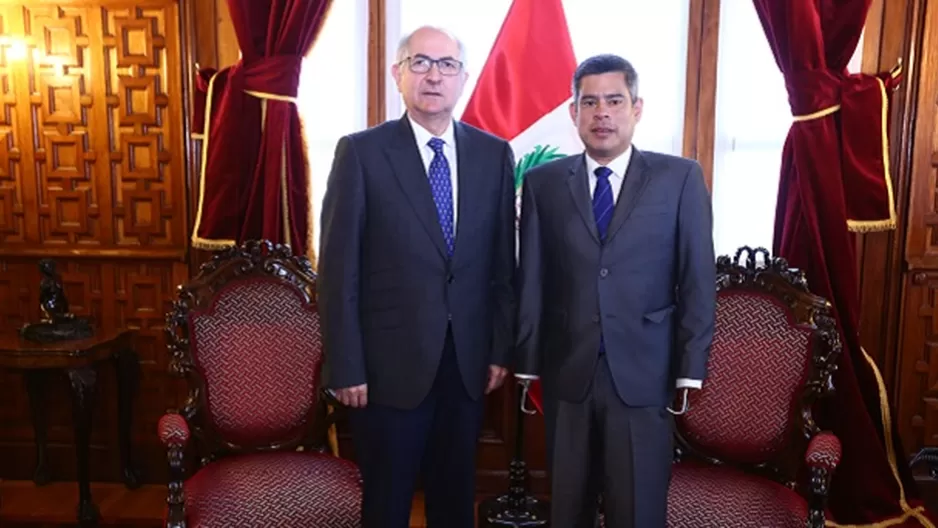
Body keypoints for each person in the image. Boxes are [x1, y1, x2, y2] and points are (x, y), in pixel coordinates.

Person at [317, 25, 516, 528]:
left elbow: (500, 266)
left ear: (463, 78)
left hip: (467, 365)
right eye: (420, 63)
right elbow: (338, 271)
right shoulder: (361, 153)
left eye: (447, 65)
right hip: (386, 371)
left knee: (455, 497)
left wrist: (499, 348)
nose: (434, 76)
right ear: (397, 75)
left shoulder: (493, 155)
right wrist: (346, 365)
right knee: (387, 501)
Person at [514, 54, 716, 527]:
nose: (601, 112)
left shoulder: (679, 179)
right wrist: (526, 362)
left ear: (636, 108)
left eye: (614, 100)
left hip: (645, 372)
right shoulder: (544, 183)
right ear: (574, 112)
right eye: (589, 101)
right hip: (567, 373)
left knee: (636, 511)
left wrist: (690, 368)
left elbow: (697, 279)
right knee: (568, 509)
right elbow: (532, 280)